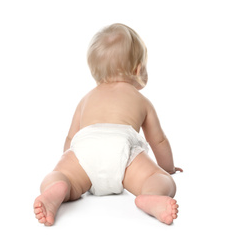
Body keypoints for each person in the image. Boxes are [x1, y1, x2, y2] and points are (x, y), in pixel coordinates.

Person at [33, 23, 183, 226]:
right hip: (122, 147)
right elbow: (158, 140)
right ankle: (152, 196)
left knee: (59, 175)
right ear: (138, 69)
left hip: (84, 149)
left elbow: (70, 139)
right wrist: (167, 169)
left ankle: (58, 187)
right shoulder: (140, 100)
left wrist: (71, 165)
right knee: (161, 180)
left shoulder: (86, 99)